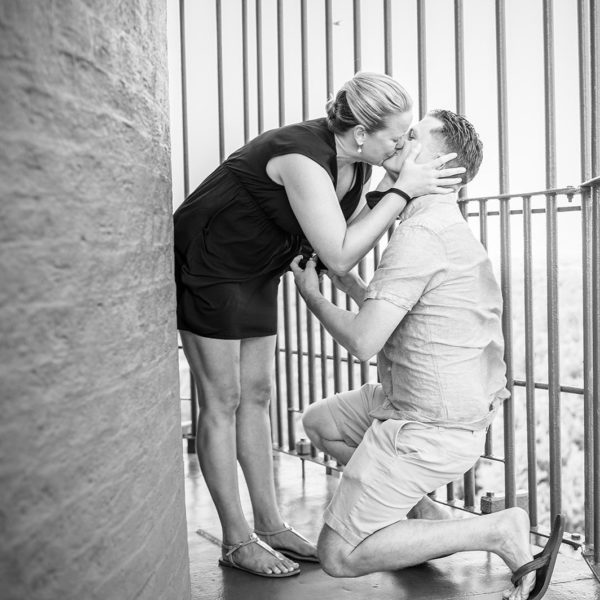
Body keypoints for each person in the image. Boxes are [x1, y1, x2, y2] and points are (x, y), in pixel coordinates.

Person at [173, 72, 466, 578]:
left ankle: (270, 525)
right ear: (359, 134)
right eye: (396, 137)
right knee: (222, 399)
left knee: (258, 395)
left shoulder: (354, 167)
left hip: (259, 271)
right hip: (211, 267)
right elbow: (338, 251)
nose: (403, 145)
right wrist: (400, 191)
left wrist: (389, 189)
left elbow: (337, 247)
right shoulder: (302, 156)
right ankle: (236, 539)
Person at [291, 109, 564, 599]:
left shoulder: (421, 234)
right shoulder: (433, 224)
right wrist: (351, 283)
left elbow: (363, 342)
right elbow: (411, 319)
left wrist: (314, 298)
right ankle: (426, 517)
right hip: (413, 403)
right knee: (321, 423)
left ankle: (496, 530)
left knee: (338, 555)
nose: (397, 139)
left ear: (442, 166)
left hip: (429, 426)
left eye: (411, 136)